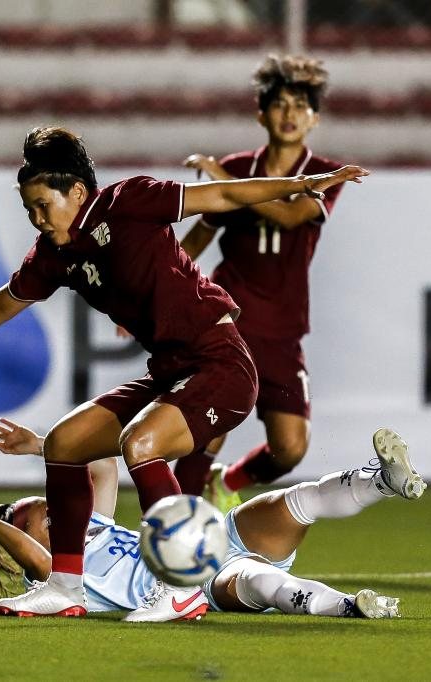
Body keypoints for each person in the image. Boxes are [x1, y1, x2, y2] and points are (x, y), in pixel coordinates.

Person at [0, 125, 369, 620]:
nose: (37, 219)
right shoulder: (55, 255)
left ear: (79, 192)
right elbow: (4, 305)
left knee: (141, 445)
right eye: (29, 210)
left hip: (221, 363)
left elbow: (220, 193)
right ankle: (67, 587)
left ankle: (182, 585)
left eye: (43, 205)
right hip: (170, 372)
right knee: (65, 444)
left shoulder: (128, 200)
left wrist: (297, 186)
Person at [0, 418, 424, 621]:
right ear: (30, 539)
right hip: (199, 582)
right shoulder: (56, 572)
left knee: (296, 501)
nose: (53, 508)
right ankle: (351, 607)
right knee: (262, 583)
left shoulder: (96, 525)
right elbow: (36, 560)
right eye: (42, 516)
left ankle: (384, 480)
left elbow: (102, 464)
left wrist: (43, 446)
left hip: (214, 537)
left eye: (46, 502)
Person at [172, 54, 376, 510]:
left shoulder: (323, 173)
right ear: (261, 114)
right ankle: (177, 522)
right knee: (213, 424)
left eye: (300, 105)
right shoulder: (240, 164)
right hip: (231, 317)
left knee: (290, 448)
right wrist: (162, 284)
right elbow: (204, 231)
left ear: (314, 118)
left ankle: (227, 483)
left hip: (282, 328)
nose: (289, 114)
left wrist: (225, 180)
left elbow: (289, 215)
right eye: (280, 104)